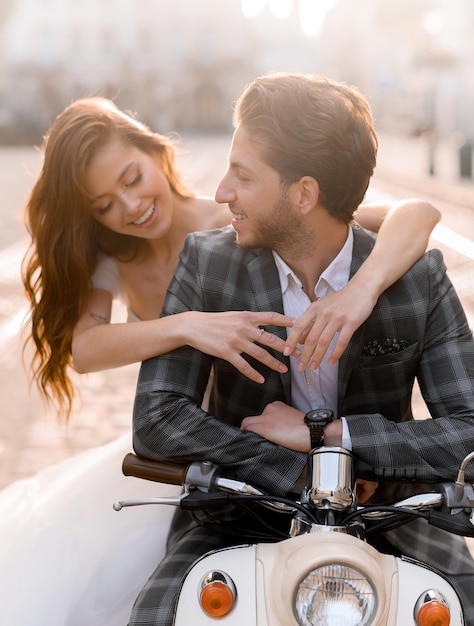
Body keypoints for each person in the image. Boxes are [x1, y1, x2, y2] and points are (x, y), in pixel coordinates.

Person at [130, 72, 474, 625]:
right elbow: (157, 417)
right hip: (236, 519)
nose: (222, 193)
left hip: (393, 518)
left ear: (304, 194)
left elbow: (470, 428)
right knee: (157, 618)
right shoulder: (207, 263)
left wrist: (331, 437)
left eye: (242, 175)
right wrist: (296, 469)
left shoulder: (418, 280)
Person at [21, 96, 439, 422]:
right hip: (183, 431)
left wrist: (360, 291)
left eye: (133, 178)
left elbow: (416, 213)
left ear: (156, 152)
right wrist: (187, 325)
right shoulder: (112, 254)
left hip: (270, 428)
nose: (130, 206)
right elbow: (86, 349)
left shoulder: (242, 218)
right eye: (103, 206)